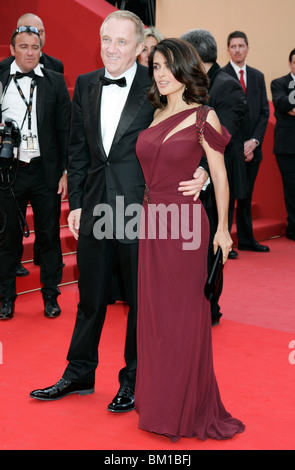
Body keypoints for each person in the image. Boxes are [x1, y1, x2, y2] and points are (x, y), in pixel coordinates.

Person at [29, 12, 205, 410]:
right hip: (93, 207)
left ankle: (134, 380)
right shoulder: (88, 84)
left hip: (141, 210)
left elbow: (196, 126)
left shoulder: (157, 85)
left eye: (121, 42)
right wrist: (74, 202)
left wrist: (203, 172)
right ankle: (78, 374)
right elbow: (77, 150)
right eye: (106, 39)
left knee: (140, 303)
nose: (111, 48)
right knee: (90, 298)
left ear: (140, 46)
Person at [134, 38, 245, 441]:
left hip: (184, 228)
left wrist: (221, 230)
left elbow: (220, 174)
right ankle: (159, 403)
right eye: (156, 67)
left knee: (181, 320)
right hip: (152, 224)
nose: (160, 74)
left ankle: (183, 410)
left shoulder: (204, 116)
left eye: (167, 66)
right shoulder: (154, 111)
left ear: (184, 69)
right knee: (156, 319)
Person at [0, 26, 71, 320]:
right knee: (6, 239)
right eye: (24, 46)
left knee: (49, 236)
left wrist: (66, 172)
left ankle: (51, 295)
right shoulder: (2, 80)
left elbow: (66, 130)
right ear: (12, 50)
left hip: (46, 171)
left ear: (41, 50)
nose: (30, 52)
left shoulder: (54, 82)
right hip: (9, 171)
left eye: (35, 47)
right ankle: (6, 299)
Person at [181, 28, 248, 324]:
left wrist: (205, 171)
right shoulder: (198, 83)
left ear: (194, 55)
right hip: (193, 181)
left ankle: (210, 307)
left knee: (212, 248)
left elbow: (224, 136)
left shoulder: (227, 86)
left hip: (215, 182)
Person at [223, 31, 270, 253]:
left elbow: (264, 112)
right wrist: (238, 145)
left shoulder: (258, 77)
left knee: (246, 195)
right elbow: (220, 115)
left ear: (247, 48)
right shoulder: (220, 76)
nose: (238, 50)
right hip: (230, 149)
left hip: (253, 148)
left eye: (241, 46)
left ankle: (247, 239)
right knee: (227, 195)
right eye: (233, 46)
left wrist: (254, 142)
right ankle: (225, 242)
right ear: (228, 50)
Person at [271, 48, 295, 241]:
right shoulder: (279, 83)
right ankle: (293, 228)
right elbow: (283, 103)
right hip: (287, 148)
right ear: (290, 63)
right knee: (292, 188)